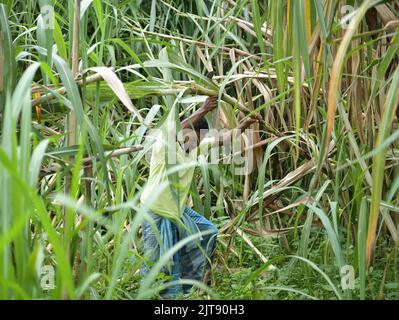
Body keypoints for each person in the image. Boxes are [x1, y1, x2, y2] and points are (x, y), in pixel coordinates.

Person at [140, 96, 219, 298]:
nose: (192, 143)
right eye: (190, 138)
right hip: (156, 213)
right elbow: (174, 130)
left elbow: (220, 140)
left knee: (208, 232)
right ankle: (158, 296)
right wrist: (203, 109)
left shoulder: (191, 149)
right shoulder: (164, 147)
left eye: (196, 141)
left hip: (178, 212)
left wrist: (245, 124)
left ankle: (186, 282)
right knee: (161, 266)